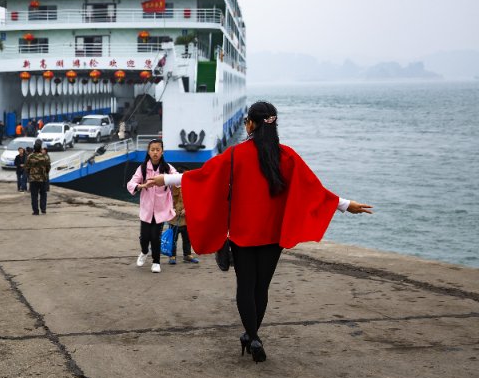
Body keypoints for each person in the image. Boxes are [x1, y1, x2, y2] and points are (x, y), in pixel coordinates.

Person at [147, 101, 373, 362]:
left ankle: (253, 337)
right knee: (261, 288)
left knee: (245, 286)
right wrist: (345, 205)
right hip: (272, 236)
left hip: (243, 234)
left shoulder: (235, 154)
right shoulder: (286, 156)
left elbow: (205, 176)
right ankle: (250, 335)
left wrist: (165, 178)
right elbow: (312, 189)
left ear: (250, 124)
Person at [126, 138, 178, 273]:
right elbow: (130, 184)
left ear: (162, 152)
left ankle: (156, 262)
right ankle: (144, 252)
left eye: (158, 150)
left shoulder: (167, 168)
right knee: (144, 237)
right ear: (148, 152)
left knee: (156, 237)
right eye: (152, 150)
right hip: (147, 209)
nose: (155, 152)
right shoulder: (143, 168)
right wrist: (143, 185)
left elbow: (178, 180)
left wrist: (167, 180)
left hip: (161, 209)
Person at [167, 179, 199, 265]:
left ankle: (187, 255)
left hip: (186, 219)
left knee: (187, 239)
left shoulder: (189, 187)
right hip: (174, 219)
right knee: (173, 239)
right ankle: (172, 256)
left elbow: (193, 201)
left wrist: (186, 209)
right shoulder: (171, 187)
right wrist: (172, 210)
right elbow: (167, 201)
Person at [24, 139, 51, 215]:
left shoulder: (30, 156)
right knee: (43, 194)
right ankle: (43, 209)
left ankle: (35, 211)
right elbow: (48, 167)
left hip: (33, 179)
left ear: (34, 148)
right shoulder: (45, 157)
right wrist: (45, 173)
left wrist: (30, 174)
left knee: (34, 195)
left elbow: (26, 168)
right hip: (43, 179)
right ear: (40, 148)